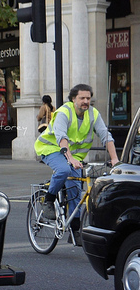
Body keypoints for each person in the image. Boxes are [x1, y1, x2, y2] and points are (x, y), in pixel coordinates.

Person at [34, 83, 119, 244]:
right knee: (64, 170)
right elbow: (61, 137)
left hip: (74, 156)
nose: (86, 101)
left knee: (75, 193)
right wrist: (70, 159)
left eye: (88, 98)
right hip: (51, 149)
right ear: (73, 99)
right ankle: (49, 201)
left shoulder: (93, 114)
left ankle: (75, 230)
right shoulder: (64, 112)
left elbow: (105, 136)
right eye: (82, 98)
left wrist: (115, 159)